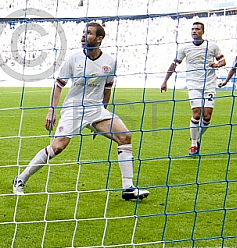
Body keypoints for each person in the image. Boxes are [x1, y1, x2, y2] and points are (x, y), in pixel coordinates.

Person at [12, 22, 149, 201]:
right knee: (57, 147)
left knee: (125, 136)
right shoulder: (74, 59)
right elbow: (59, 86)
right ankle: (20, 179)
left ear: (99, 39)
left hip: (96, 110)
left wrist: (103, 113)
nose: (84, 36)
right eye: (83, 33)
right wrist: (51, 111)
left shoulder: (110, 62)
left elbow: (107, 89)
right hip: (74, 109)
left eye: (89, 33)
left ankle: (128, 188)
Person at [160, 21, 225, 156]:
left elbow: (223, 61)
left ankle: (196, 136)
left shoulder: (212, 46)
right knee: (196, 114)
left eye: (197, 29)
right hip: (193, 85)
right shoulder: (185, 48)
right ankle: (194, 144)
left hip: (209, 85)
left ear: (203, 31)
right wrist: (165, 80)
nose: (194, 31)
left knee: (207, 117)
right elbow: (174, 64)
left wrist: (217, 65)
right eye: (193, 29)